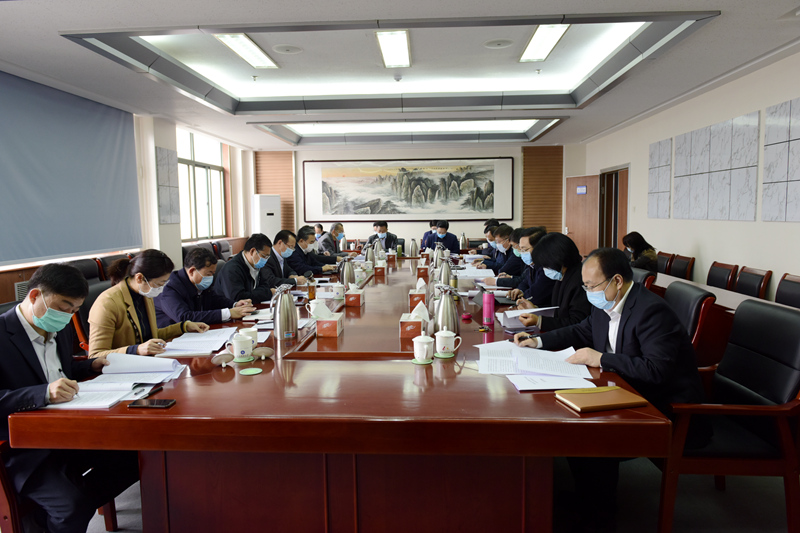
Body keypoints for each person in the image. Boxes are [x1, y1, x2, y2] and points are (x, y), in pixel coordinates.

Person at [515, 248, 707, 531]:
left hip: (665, 408)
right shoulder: (608, 301)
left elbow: (656, 370)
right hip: (626, 389)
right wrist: (539, 342)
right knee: (570, 419)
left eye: (591, 286)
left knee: (588, 432)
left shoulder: (651, 311)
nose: (588, 292)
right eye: (585, 286)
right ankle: (588, 499)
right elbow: (582, 330)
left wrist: (601, 358)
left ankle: (600, 515)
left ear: (617, 280)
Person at [0, 263, 139, 533]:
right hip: (24, 449)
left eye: (75, 309)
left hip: (68, 432)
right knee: (72, 506)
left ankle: (45, 520)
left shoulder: (59, 326)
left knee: (134, 459)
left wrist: (91, 365)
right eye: (64, 307)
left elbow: (58, 369)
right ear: (34, 296)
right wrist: (43, 393)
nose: (68, 316)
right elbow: (41, 384)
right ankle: (60, 513)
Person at [89, 249, 209, 358]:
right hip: (123, 367)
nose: (161, 288)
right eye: (159, 284)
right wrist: (136, 350)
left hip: (147, 361)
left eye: (164, 283)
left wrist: (184, 326)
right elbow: (95, 355)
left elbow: (150, 334)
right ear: (140, 278)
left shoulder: (144, 294)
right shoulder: (107, 304)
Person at [154, 247, 256, 328]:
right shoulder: (169, 288)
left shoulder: (199, 282)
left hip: (197, 331)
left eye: (213, 273)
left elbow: (214, 300)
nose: (210, 277)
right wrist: (228, 313)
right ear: (192, 271)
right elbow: (184, 317)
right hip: (170, 339)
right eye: (208, 274)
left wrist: (235, 304)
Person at [516, 232, 591, 331]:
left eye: (546, 265)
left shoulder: (580, 280)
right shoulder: (563, 276)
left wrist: (539, 321)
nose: (544, 269)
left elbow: (576, 322)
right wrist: (535, 309)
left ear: (557, 259)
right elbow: (559, 312)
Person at [216, 233, 279, 303]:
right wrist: (268, 293)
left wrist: (254, 294)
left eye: (267, 257)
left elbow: (266, 286)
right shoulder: (232, 269)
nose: (266, 260)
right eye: (264, 256)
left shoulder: (256, 264)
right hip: (229, 308)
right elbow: (239, 298)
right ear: (252, 251)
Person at [507, 227, 555, 308]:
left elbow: (536, 295)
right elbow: (524, 282)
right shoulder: (532, 264)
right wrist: (520, 290)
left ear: (538, 248)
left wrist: (523, 295)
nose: (522, 253)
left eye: (525, 250)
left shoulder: (548, 268)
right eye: (520, 249)